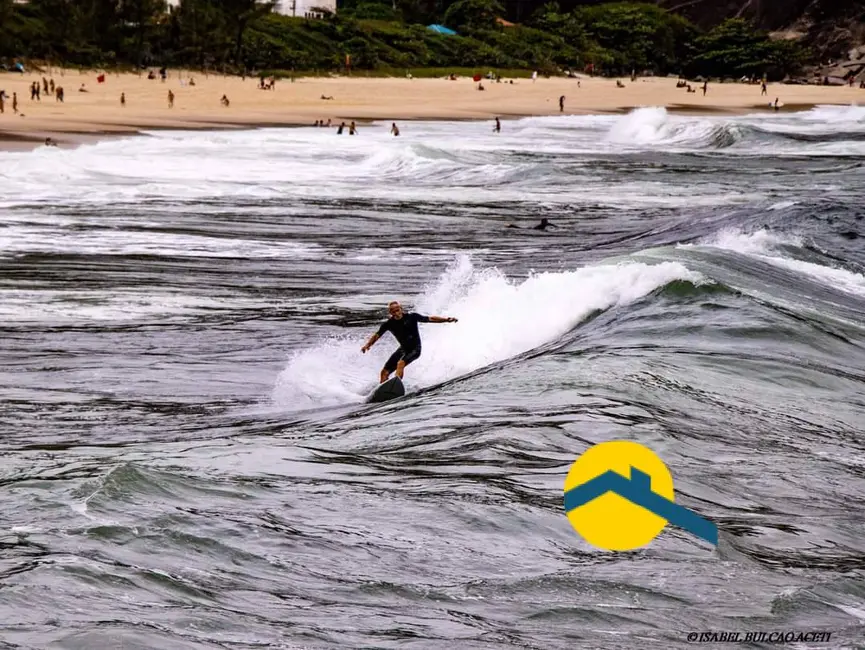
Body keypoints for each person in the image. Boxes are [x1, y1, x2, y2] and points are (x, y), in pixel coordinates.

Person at [361, 301, 458, 383]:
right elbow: (377, 335)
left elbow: (430, 318)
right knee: (384, 372)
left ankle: (396, 384)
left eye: (397, 310)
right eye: (393, 311)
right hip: (403, 349)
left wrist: (446, 319)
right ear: (390, 312)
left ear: (401, 309)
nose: (396, 313)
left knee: (400, 363)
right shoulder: (388, 324)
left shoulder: (412, 317)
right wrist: (367, 345)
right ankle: (384, 389)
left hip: (415, 349)